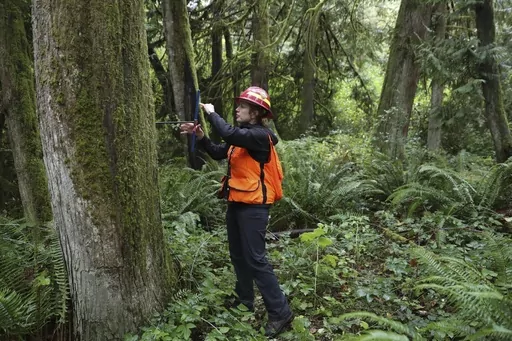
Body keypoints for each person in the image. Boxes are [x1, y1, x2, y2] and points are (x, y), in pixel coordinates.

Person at [180, 86, 293, 337]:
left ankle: (280, 311)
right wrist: (201, 137)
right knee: (238, 256)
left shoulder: (260, 136)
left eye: (242, 106)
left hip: (254, 207)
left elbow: (227, 133)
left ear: (254, 113)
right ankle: (244, 302)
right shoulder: (242, 137)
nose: (237, 109)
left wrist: (211, 113)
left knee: (256, 259)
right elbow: (220, 151)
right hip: (237, 203)